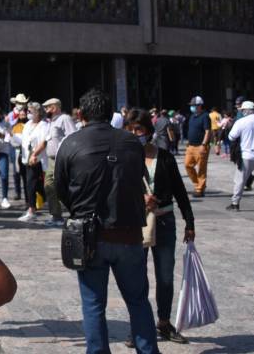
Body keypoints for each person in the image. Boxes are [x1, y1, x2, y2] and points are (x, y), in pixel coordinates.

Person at [55, 88, 160, 354]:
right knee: (138, 300)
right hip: (128, 233)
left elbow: (60, 188)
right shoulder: (131, 143)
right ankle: (147, 350)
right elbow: (138, 179)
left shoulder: (70, 143)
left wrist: (79, 210)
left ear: (80, 114)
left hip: (88, 235)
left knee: (92, 305)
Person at [125, 108, 195, 345]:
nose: (135, 134)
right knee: (137, 277)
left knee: (165, 276)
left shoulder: (164, 157)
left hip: (164, 221)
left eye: (139, 130)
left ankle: (164, 323)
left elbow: (179, 190)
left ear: (148, 130)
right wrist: (139, 198)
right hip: (138, 223)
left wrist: (190, 221)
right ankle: (139, 326)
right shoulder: (125, 158)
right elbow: (117, 191)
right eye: (131, 130)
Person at [37, 98, 76, 227]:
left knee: (59, 186)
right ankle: (56, 215)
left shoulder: (64, 119)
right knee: (50, 186)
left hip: (61, 158)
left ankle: (70, 214)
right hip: (51, 159)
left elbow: (72, 137)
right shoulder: (51, 122)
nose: (46, 110)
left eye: (48, 107)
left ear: (54, 107)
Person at [18, 103, 48, 222]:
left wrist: (35, 154)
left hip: (37, 159)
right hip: (26, 158)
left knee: (32, 184)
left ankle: (32, 210)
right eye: (28, 111)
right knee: (30, 184)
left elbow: (43, 142)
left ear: (38, 112)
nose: (28, 113)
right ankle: (33, 207)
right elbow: (23, 140)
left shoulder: (44, 125)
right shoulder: (27, 125)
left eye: (30, 111)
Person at [184, 96, 211, 198]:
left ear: (200, 106)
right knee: (187, 165)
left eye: (194, 105)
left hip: (201, 146)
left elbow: (208, 131)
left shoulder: (205, 116)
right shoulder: (192, 116)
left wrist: (204, 144)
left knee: (201, 169)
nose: (192, 107)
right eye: (191, 106)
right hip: (191, 146)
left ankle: (200, 188)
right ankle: (197, 184)